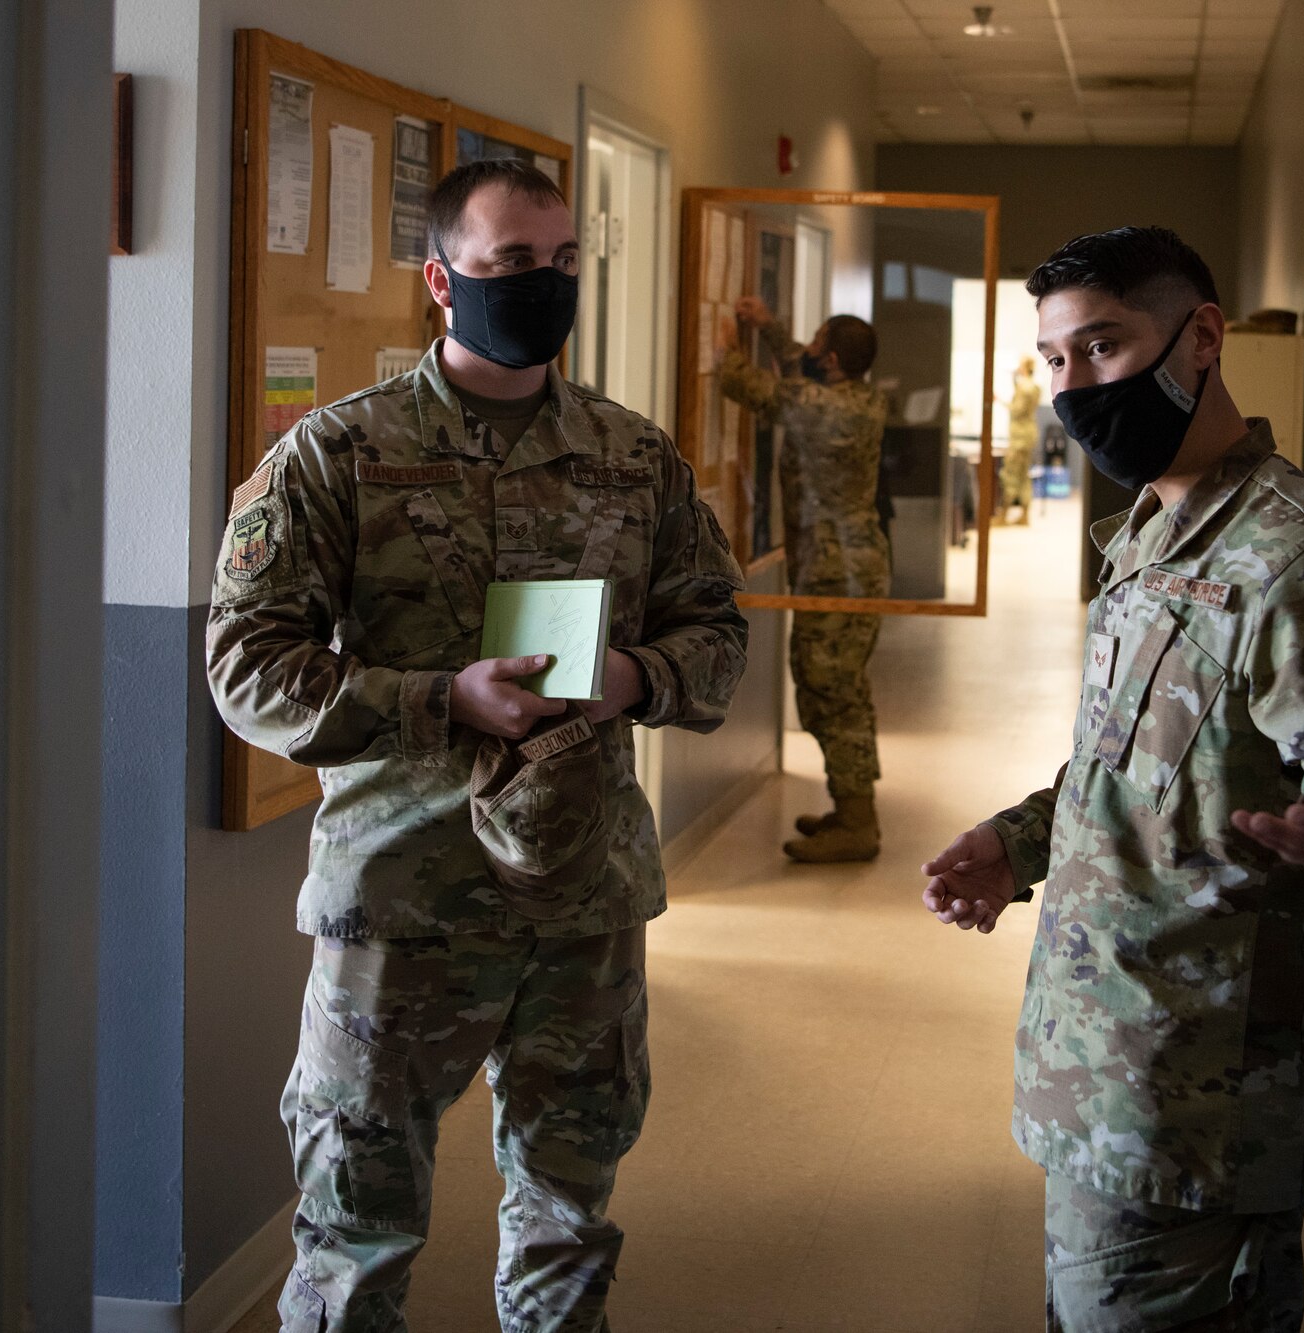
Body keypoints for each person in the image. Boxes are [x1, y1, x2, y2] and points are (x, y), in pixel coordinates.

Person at [206, 157, 749, 1332]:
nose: (543, 286)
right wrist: (437, 699)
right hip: (404, 898)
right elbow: (246, 669)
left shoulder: (630, 452)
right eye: (511, 264)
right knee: (355, 1227)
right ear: (441, 282)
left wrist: (635, 679)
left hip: (582, 896)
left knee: (568, 1213)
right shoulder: (337, 454)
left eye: (562, 264)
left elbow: (714, 630)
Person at [918, 227, 1304, 1332]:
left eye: (1103, 347)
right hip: (1100, 1074)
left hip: (1197, 1111)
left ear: (1200, 339)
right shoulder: (1150, 534)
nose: (1074, 388)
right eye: (1053, 360)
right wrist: (1022, 839)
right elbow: (1138, 764)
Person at [717, 299, 889, 862]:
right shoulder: (855, 395)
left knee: (831, 690)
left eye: (816, 345)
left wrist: (723, 334)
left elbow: (740, 382)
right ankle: (851, 809)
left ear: (833, 360)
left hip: (840, 571)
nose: (807, 352)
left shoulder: (821, 406)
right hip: (844, 564)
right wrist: (770, 327)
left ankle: (859, 824)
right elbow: (798, 366)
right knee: (834, 686)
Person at [1003, 356, 1041, 523]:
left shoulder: (1024, 388)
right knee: (1024, 475)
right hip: (1028, 435)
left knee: (1010, 474)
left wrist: (999, 401)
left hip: (1019, 437)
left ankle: (1003, 514)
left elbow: (1017, 410)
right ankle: (1024, 514)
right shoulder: (1034, 387)